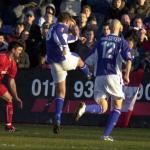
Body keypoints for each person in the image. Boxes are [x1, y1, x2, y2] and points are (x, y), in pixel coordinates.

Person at [75, 19, 132, 141]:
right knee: (117, 105)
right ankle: (105, 135)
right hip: (113, 76)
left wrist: (88, 71)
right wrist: (127, 75)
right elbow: (128, 59)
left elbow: (88, 60)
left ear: (110, 28)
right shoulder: (122, 42)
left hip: (99, 77)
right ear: (120, 28)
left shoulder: (100, 41)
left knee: (103, 107)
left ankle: (85, 108)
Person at [46, 12, 91, 134]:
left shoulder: (53, 27)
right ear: (67, 20)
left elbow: (64, 37)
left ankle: (57, 117)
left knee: (61, 92)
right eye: (71, 21)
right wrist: (65, 47)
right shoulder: (61, 27)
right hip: (61, 58)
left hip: (53, 63)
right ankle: (89, 75)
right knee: (78, 58)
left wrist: (77, 37)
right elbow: (60, 36)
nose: (72, 24)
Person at [0, 41, 23, 132]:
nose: (20, 52)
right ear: (13, 50)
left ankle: (8, 126)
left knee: (9, 99)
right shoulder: (2, 57)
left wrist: (16, 97)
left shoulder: (13, 64)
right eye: (19, 50)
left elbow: (11, 81)